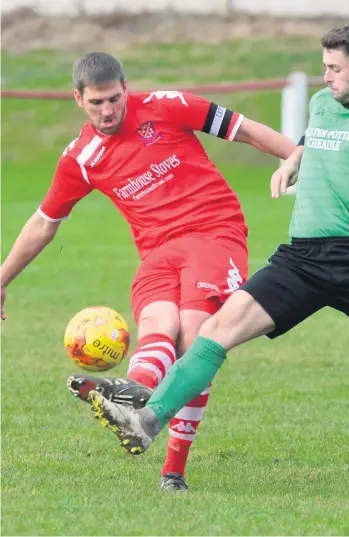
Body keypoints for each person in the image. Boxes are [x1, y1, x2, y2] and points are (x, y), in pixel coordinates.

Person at [87, 24, 349, 479]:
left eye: (334, 68)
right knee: (217, 329)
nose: (326, 76)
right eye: (324, 67)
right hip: (301, 260)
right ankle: (147, 421)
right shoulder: (322, 104)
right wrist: (292, 162)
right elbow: (314, 140)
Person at [0, 52, 296, 491]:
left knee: (195, 337)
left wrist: (300, 156)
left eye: (115, 99)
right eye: (97, 102)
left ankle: (173, 467)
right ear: (78, 99)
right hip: (156, 250)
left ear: (126, 87)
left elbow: (244, 129)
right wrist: (3, 277)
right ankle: (133, 392)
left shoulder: (166, 105)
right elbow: (45, 221)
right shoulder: (81, 158)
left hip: (214, 231)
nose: (108, 110)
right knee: (159, 323)